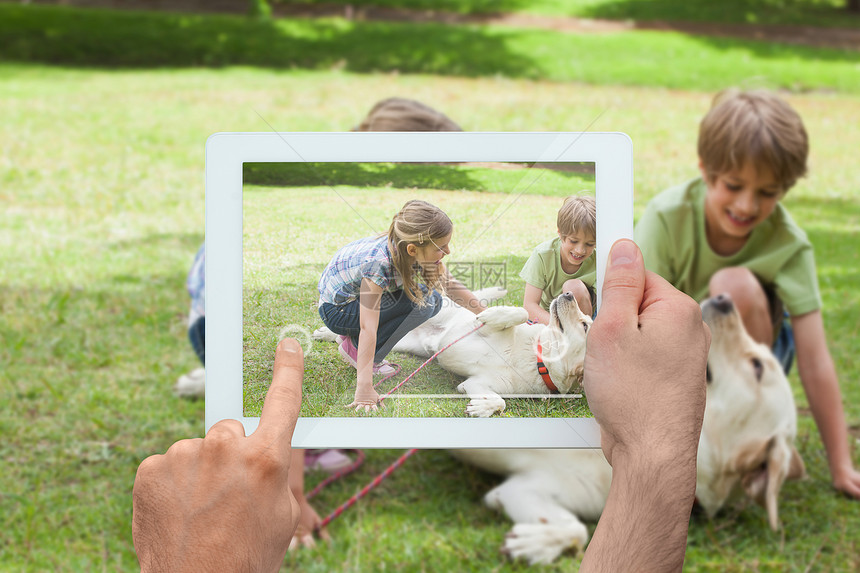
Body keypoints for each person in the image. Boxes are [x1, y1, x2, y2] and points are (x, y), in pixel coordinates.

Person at [132, 239, 710, 572]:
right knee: (409, 324)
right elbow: (387, 313)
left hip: (455, 339)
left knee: (421, 321)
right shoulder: (382, 272)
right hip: (399, 326)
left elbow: (452, 311)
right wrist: (654, 453)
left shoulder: (444, 290)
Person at [634, 88, 860, 499]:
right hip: (681, 350)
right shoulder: (666, 217)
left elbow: (814, 357)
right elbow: (638, 323)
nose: (747, 204)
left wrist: (841, 464)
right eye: (734, 185)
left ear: (785, 188)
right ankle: (730, 438)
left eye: (768, 192)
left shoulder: (789, 243)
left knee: (731, 286)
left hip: (758, 355)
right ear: (705, 169)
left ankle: (756, 432)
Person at [317, 199, 486, 412]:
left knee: (432, 300)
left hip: (352, 302)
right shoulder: (378, 264)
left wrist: (488, 314)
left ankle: (351, 341)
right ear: (413, 249)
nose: (448, 251)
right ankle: (355, 348)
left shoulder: (405, 249)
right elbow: (368, 327)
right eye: (441, 248)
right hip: (337, 312)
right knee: (424, 300)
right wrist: (364, 388)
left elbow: (449, 284)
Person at [520, 195, 597, 323]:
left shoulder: (598, 259)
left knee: (573, 287)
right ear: (560, 234)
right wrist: (557, 326)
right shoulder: (543, 255)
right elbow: (529, 306)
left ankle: (583, 338)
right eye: (573, 241)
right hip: (551, 320)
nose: (580, 250)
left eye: (589, 244)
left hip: (586, 320)